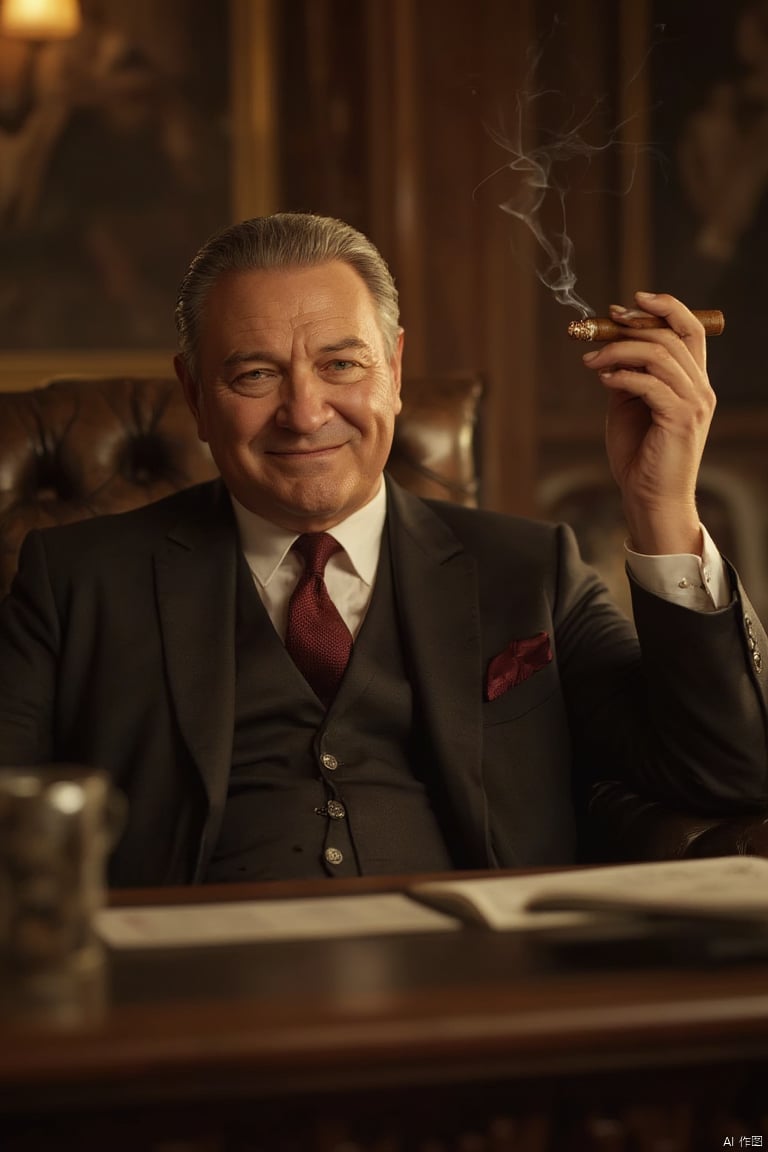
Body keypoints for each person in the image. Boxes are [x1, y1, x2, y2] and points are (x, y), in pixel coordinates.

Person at [0, 212, 766, 887]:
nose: (304, 413)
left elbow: (727, 775)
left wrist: (661, 507)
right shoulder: (73, 581)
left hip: (479, 995)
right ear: (196, 394)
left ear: (394, 371)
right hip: (191, 1003)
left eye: (341, 364)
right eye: (256, 374)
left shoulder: (531, 572)